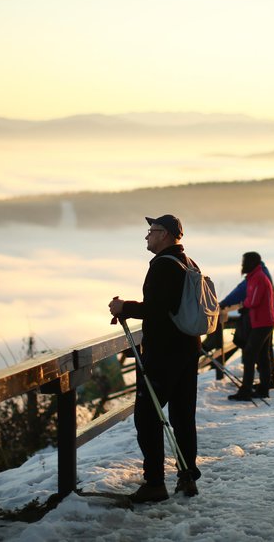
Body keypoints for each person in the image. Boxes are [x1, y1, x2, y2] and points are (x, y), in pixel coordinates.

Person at [108, 214, 201, 502]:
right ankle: (187, 476)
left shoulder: (163, 266)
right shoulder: (189, 263)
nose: (147, 236)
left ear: (166, 234)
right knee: (183, 416)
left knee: (148, 416)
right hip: (188, 349)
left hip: (164, 353)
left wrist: (124, 307)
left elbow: (158, 310)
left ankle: (154, 483)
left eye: (152, 230)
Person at [215, 258, 274, 389]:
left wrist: (240, 303)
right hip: (265, 320)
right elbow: (243, 292)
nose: (242, 265)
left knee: (250, 354)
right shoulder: (258, 275)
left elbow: (252, 300)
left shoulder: (258, 277)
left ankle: (247, 389)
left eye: (244, 262)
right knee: (263, 354)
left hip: (262, 321)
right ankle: (265, 385)